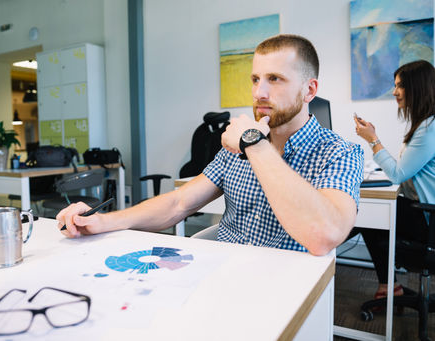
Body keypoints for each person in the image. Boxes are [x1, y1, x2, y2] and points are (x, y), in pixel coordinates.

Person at [57, 34, 364, 256]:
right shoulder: (237, 148)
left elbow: (324, 236)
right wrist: (102, 222)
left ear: (309, 90)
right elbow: (180, 203)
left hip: (284, 292)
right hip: (222, 278)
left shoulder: (340, 152)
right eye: (255, 79)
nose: (259, 92)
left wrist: (254, 145)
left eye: (275, 79)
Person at [354, 59, 435, 301]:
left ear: (416, 87)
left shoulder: (429, 128)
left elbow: (398, 173)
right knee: (369, 216)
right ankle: (388, 286)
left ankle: (319, 255)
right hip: (424, 211)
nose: (394, 91)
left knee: (362, 211)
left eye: (400, 85)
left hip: (428, 219)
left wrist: (372, 139)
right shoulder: (425, 124)